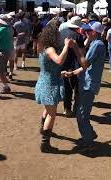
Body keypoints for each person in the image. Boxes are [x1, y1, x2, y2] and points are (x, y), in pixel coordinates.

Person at [63, 21, 106, 152]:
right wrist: (73, 72)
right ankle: (89, 135)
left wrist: (75, 47)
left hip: (89, 84)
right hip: (87, 82)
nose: (85, 33)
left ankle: (89, 143)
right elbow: (87, 66)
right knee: (81, 113)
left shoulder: (97, 45)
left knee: (81, 115)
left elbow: (85, 63)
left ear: (93, 32)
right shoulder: (95, 43)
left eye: (88, 31)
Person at [35, 21, 74, 153]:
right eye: (57, 34)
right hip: (49, 85)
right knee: (52, 114)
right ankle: (45, 144)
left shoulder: (43, 47)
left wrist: (60, 72)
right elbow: (59, 60)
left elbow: (50, 66)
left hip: (47, 81)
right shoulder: (50, 49)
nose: (59, 36)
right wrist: (66, 47)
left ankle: (43, 129)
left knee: (47, 109)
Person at [59, 16, 85, 117]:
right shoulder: (78, 35)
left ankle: (67, 109)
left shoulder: (61, 33)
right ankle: (76, 108)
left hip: (63, 62)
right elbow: (82, 53)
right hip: (74, 64)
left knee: (66, 87)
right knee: (77, 88)